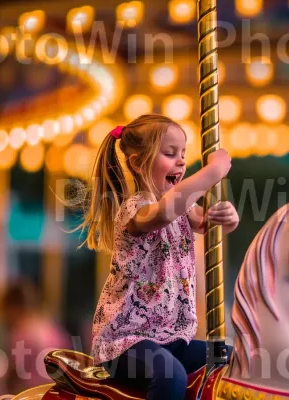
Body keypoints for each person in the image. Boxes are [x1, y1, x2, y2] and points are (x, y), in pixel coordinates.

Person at [80, 114, 238, 400]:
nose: (180, 161)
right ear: (139, 163)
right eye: (170, 153)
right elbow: (166, 210)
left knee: (233, 358)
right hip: (125, 342)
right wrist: (212, 172)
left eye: (183, 154)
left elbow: (209, 224)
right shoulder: (135, 209)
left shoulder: (185, 211)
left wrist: (227, 217)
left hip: (172, 338)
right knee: (170, 375)